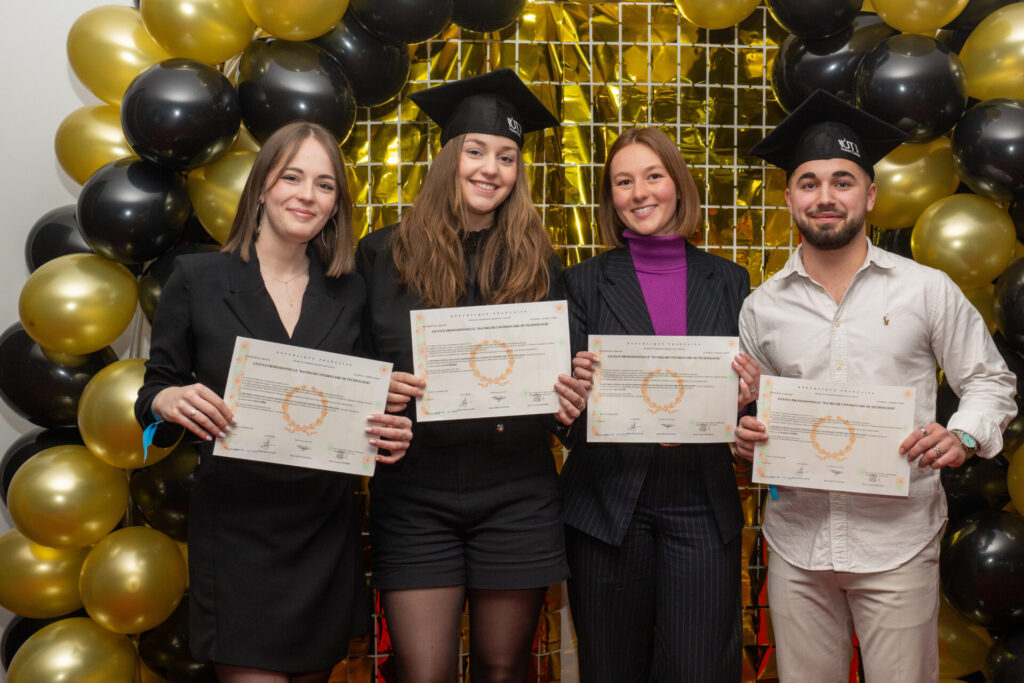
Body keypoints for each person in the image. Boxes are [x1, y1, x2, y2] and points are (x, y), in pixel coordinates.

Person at [735, 90, 1018, 682]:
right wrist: (745, 430)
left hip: (898, 541)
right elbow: (752, 409)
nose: (825, 196)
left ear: (870, 194)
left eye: (842, 181)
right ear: (790, 199)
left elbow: (990, 380)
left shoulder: (925, 290)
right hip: (797, 541)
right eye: (809, 183)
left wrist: (964, 434)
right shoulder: (761, 307)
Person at [135, 121, 413, 683]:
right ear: (262, 185)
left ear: (336, 205)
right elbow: (149, 400)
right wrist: (166, 400)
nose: (307, 195)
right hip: (237, 534)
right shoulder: (196, 278)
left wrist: (391, 427)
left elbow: (363, 395)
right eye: (292, 177)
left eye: (325, 185)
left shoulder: (351, 290)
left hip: (324, 532)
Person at [355, 68, 589, 683]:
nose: (491, 168)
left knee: (503, 668)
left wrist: (573, 395)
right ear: (448, 159)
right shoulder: (381, 255)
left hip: (517, 490)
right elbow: (347, 368)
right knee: (421, 671)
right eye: (476, 151)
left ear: (519, 172)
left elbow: (566, 383)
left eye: (507, 157)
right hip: (414, 493)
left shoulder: (540, 262)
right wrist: (374, 387)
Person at [560, 126, 760, 682]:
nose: (639, 192)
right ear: (611, 198)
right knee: (610, 669)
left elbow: (743, 408)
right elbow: (563, 417)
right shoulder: (581, 283)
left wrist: (746, 399)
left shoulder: (731, 281)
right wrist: (569, 398)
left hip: (700, 497)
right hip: (605, 501)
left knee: (700, 669)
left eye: (653, 176)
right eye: (623, 181)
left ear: (678, 186)